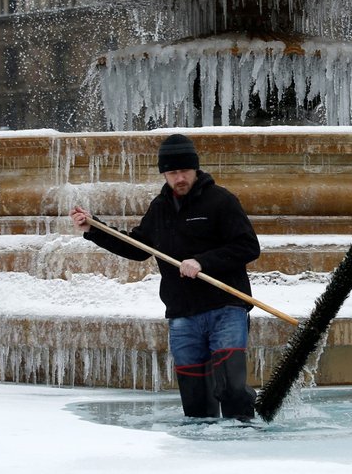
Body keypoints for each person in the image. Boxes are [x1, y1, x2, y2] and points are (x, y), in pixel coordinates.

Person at [69, 133, 260, 420]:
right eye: (172, 173)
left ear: (195, 169)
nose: (179, 178)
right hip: (183, 315)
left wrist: (202, 262)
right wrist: (93, 229)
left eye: (184, 171)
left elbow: (248, 246)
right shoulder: (159, 209)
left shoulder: (221, 201)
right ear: (165, 174)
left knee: (232, 388)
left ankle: (243, 443)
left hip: (226, 309)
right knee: (195, 403)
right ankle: (200, 455)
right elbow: (138, 248)